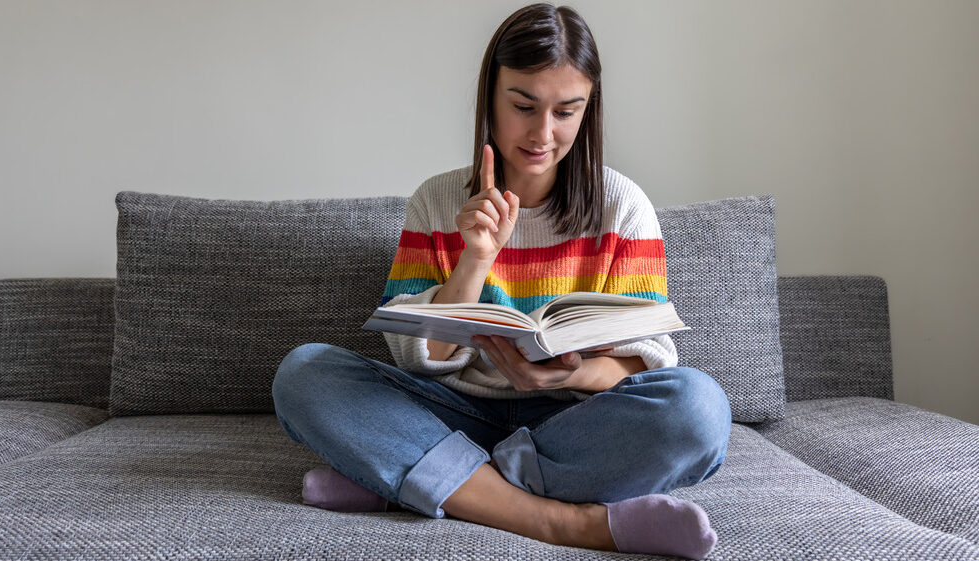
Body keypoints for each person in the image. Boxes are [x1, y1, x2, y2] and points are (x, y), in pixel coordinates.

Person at [272, 3, 731, 559]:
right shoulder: (437, 199)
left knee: (700, 410)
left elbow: (646, 359)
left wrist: (573, 372)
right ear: (491, 96)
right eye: (523, 105)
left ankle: (423, 482)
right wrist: (476, 259)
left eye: (567, 111)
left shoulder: (622, 206)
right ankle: (562, 522)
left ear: (590, 109)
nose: (543, 133)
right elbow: (416, 357)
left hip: (574, 424)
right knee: (305, 373)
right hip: (453, 411)